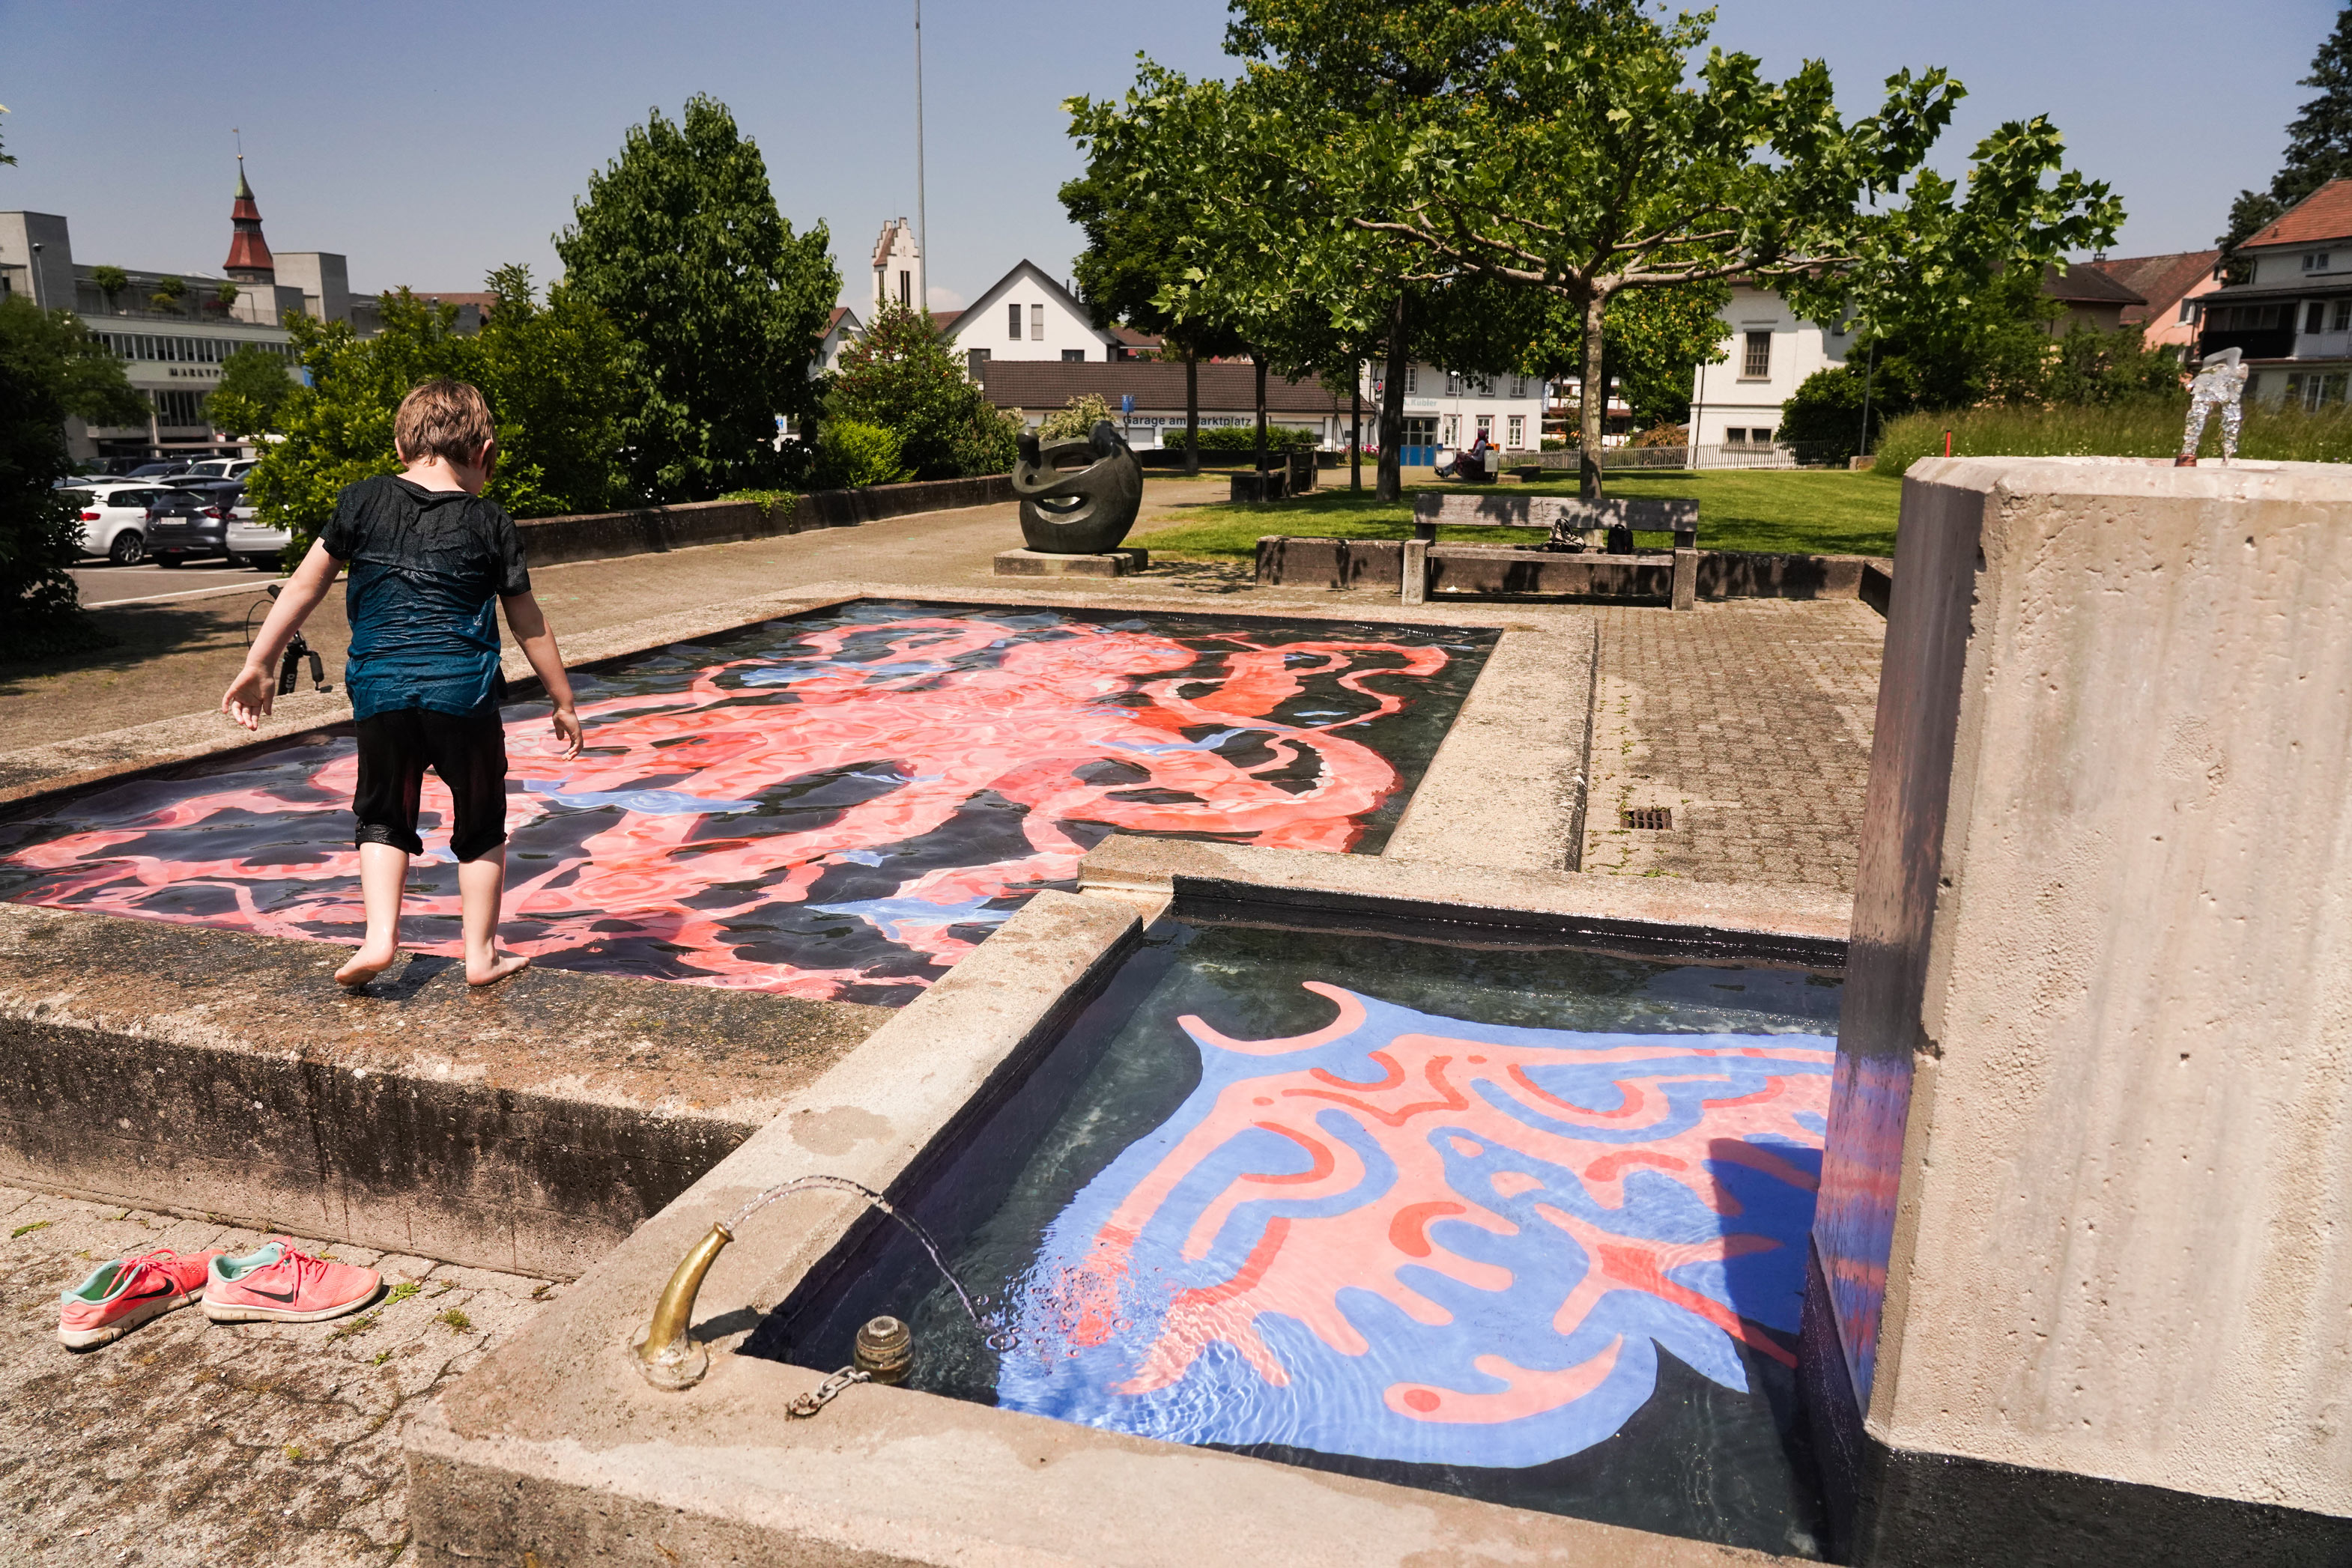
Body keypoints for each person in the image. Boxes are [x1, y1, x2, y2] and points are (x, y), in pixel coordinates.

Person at [222, 379, 583, 988]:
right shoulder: (490, 520)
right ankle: (480, 954)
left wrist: (260, 661)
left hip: (381, 692)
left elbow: (305, 585)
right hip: (461, 695)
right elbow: (527, 619)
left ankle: (379, 938)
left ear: (399, 448)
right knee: (481, 820)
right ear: (486, 453)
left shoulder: (360, 501)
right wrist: (563, 699)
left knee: (383, 815)